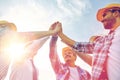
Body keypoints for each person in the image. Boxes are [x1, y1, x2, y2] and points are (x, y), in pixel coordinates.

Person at [54, 3, 120, 80]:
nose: (102, 20)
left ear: (115, 13)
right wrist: (60, 34)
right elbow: (79, 46)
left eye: (104, 15)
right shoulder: (104, 41)